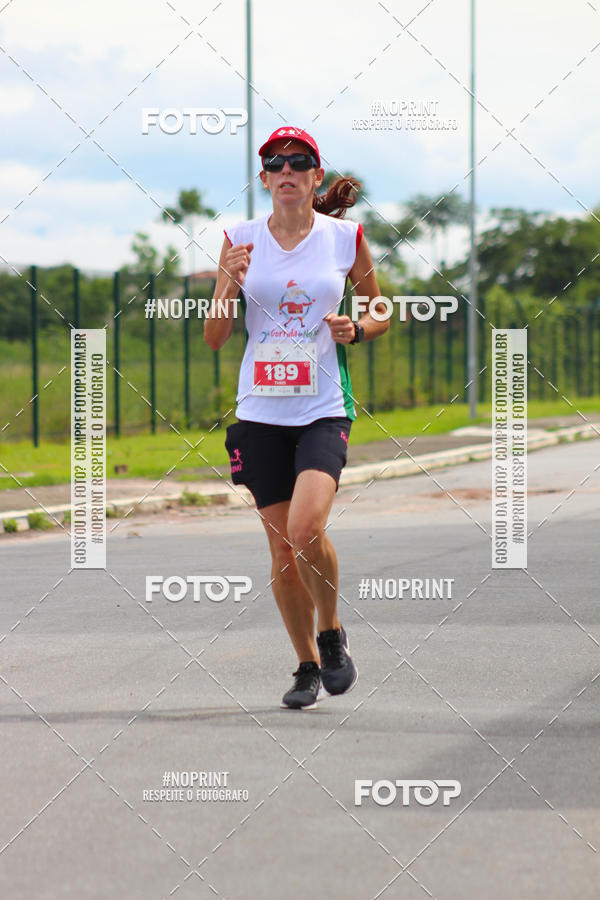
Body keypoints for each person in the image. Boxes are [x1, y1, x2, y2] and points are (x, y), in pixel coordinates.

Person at [204, 126, 388, 709]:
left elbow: (380, 308)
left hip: (322, 408)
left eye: (299, 161)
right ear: (264, 180)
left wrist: (357, 328)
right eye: (275, 163)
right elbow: (214, 337)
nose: (286, 170)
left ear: (314, 177)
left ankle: (331, 633)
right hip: (259, 412)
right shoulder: (240, 240)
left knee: (307, 530)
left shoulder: (344, 238)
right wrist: (228, 284)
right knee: (282, 548)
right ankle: (306, 664)